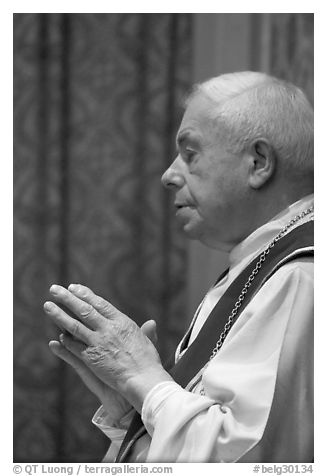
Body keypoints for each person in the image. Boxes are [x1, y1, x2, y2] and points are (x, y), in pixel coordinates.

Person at [44, 71, 314, 463]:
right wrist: (132, 412)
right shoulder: (257, 266)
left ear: (258, 162)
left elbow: (242, 459)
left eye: (190, 154)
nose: (168, 175)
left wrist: (144, 377)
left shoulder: (298, 276)